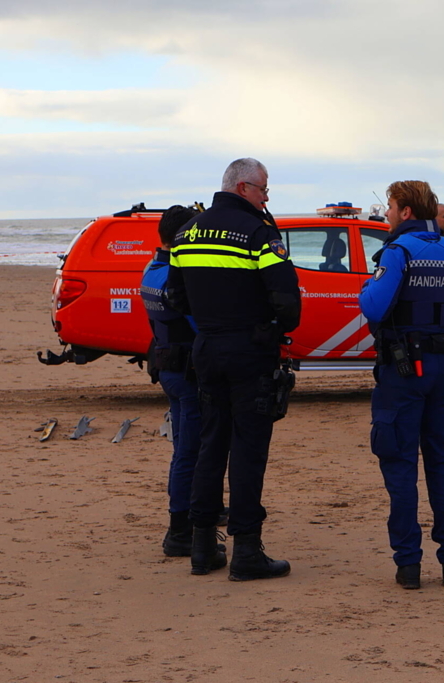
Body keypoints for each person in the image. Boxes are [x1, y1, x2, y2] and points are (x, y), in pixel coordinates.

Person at [168, 158, 301, 580]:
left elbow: (176, 296)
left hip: (207, 348)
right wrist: (270, 327)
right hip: (249, 351)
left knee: (210, 444)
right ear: (243, 187)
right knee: (247, 451)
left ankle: (203, 547)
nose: (266, 197)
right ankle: (246, 551)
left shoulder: (186, 233)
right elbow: (287, 301)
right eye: (264, 189)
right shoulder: (258, 233)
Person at [359, 180, 444, 590]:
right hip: (443, 368)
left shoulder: (398, 251)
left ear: (405, 211)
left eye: (389, 206)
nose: (386, 214)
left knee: (400, 466)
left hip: (403, 372)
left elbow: (374, 306)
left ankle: (409, 564)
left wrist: (365, 287)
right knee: (442, 464)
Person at [142, 204, 206, 557]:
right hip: (186, 369)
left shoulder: (151, 271)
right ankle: (179, 527)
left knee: (184, 446)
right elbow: (202, 324)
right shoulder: (177, 280)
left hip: (167, 365)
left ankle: (194, 511)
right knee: (189, 452)